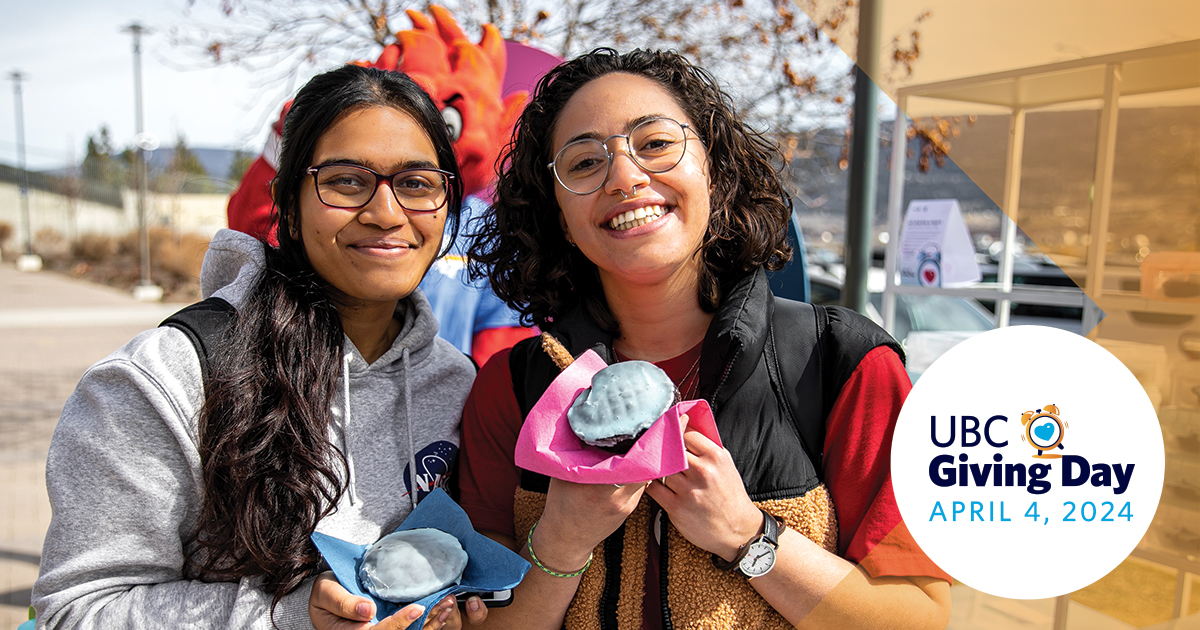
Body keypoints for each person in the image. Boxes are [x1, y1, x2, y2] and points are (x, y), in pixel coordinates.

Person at [458, 48, 952, 630]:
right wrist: (560, 543)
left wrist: (749, 537)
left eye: (657, 144)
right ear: (556, 212)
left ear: (714, 170)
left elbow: (917, 616)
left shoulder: (843, 364)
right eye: (586, 163)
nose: (625, 176)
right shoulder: (513, 387)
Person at [33, 64, 488, 630]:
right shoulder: (166, 379)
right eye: (347, 180)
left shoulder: (461, 384)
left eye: (417, 184)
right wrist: (293, 616)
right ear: (287, 203)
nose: (386, 212)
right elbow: (77, 613)